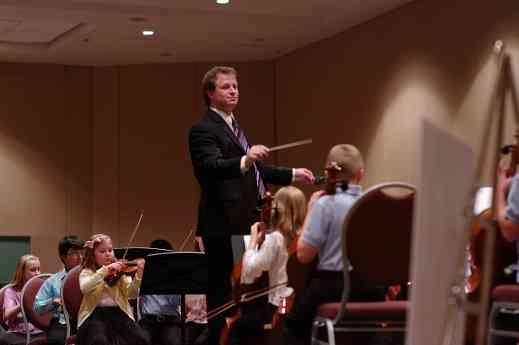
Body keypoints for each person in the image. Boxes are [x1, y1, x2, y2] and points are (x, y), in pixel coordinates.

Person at [188, 65, 314, 344]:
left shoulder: (234, 126)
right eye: (226, 87)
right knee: (223, 292)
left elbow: (256, 171)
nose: (233, 91)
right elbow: (211, 167)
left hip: (247, 221)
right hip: (223, 223)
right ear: (210, 93)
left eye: (235, 86)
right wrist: (246, 159)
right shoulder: (202, 129)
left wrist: (293, 175)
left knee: (246, 288)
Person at [283, 144, 386, 345]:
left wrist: (311, 210)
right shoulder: (374, 203)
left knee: (292, 328)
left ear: (329, 173)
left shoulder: (324, 204)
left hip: (331, 288)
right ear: (361, 173)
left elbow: (304, 256)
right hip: (370, 291)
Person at [226, 186, 307, 345]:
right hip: (300, 306)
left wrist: (253, 242)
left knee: (236, 328)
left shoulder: (277, 238)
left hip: (277, 308)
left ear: (279, 208)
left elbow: (249, 272)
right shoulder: (305, 238)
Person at [76, 233, 149, 345]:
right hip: (95, 314)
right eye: (102, 251)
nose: (108, 254)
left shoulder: (119, 270)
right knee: (99, 340)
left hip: (119, 313)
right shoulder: (88, 272)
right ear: (92, 255)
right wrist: (105, 270)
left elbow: (131, 294)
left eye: (110, 250)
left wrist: (139, 276)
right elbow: (85, 288)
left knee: (141, 339)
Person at [33, 235, 84, 345]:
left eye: (82, 252)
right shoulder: (53, 281)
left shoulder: (92, 276)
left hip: (87, 320)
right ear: (63, 257)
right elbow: (37, 308)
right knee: (56, 340)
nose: (80, 257)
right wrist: (53, 302)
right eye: (74, 253)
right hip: (62, 322)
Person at [139, 239, 181, 345]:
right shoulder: (143, 274)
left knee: (174, 342)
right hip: (148, 320)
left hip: (170, 321)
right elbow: (133, 293)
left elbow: (175, 303)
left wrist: (171, 283)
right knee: (141, 340)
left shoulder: (173, 276)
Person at [0, 254, 44, 345]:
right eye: (33, 270)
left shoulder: (42, 287)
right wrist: (23, 304)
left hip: (41, 330)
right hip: (19, 332)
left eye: (38, 269)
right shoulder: (11, 291)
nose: (37, 273)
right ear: (22, 272)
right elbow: (6, 315)